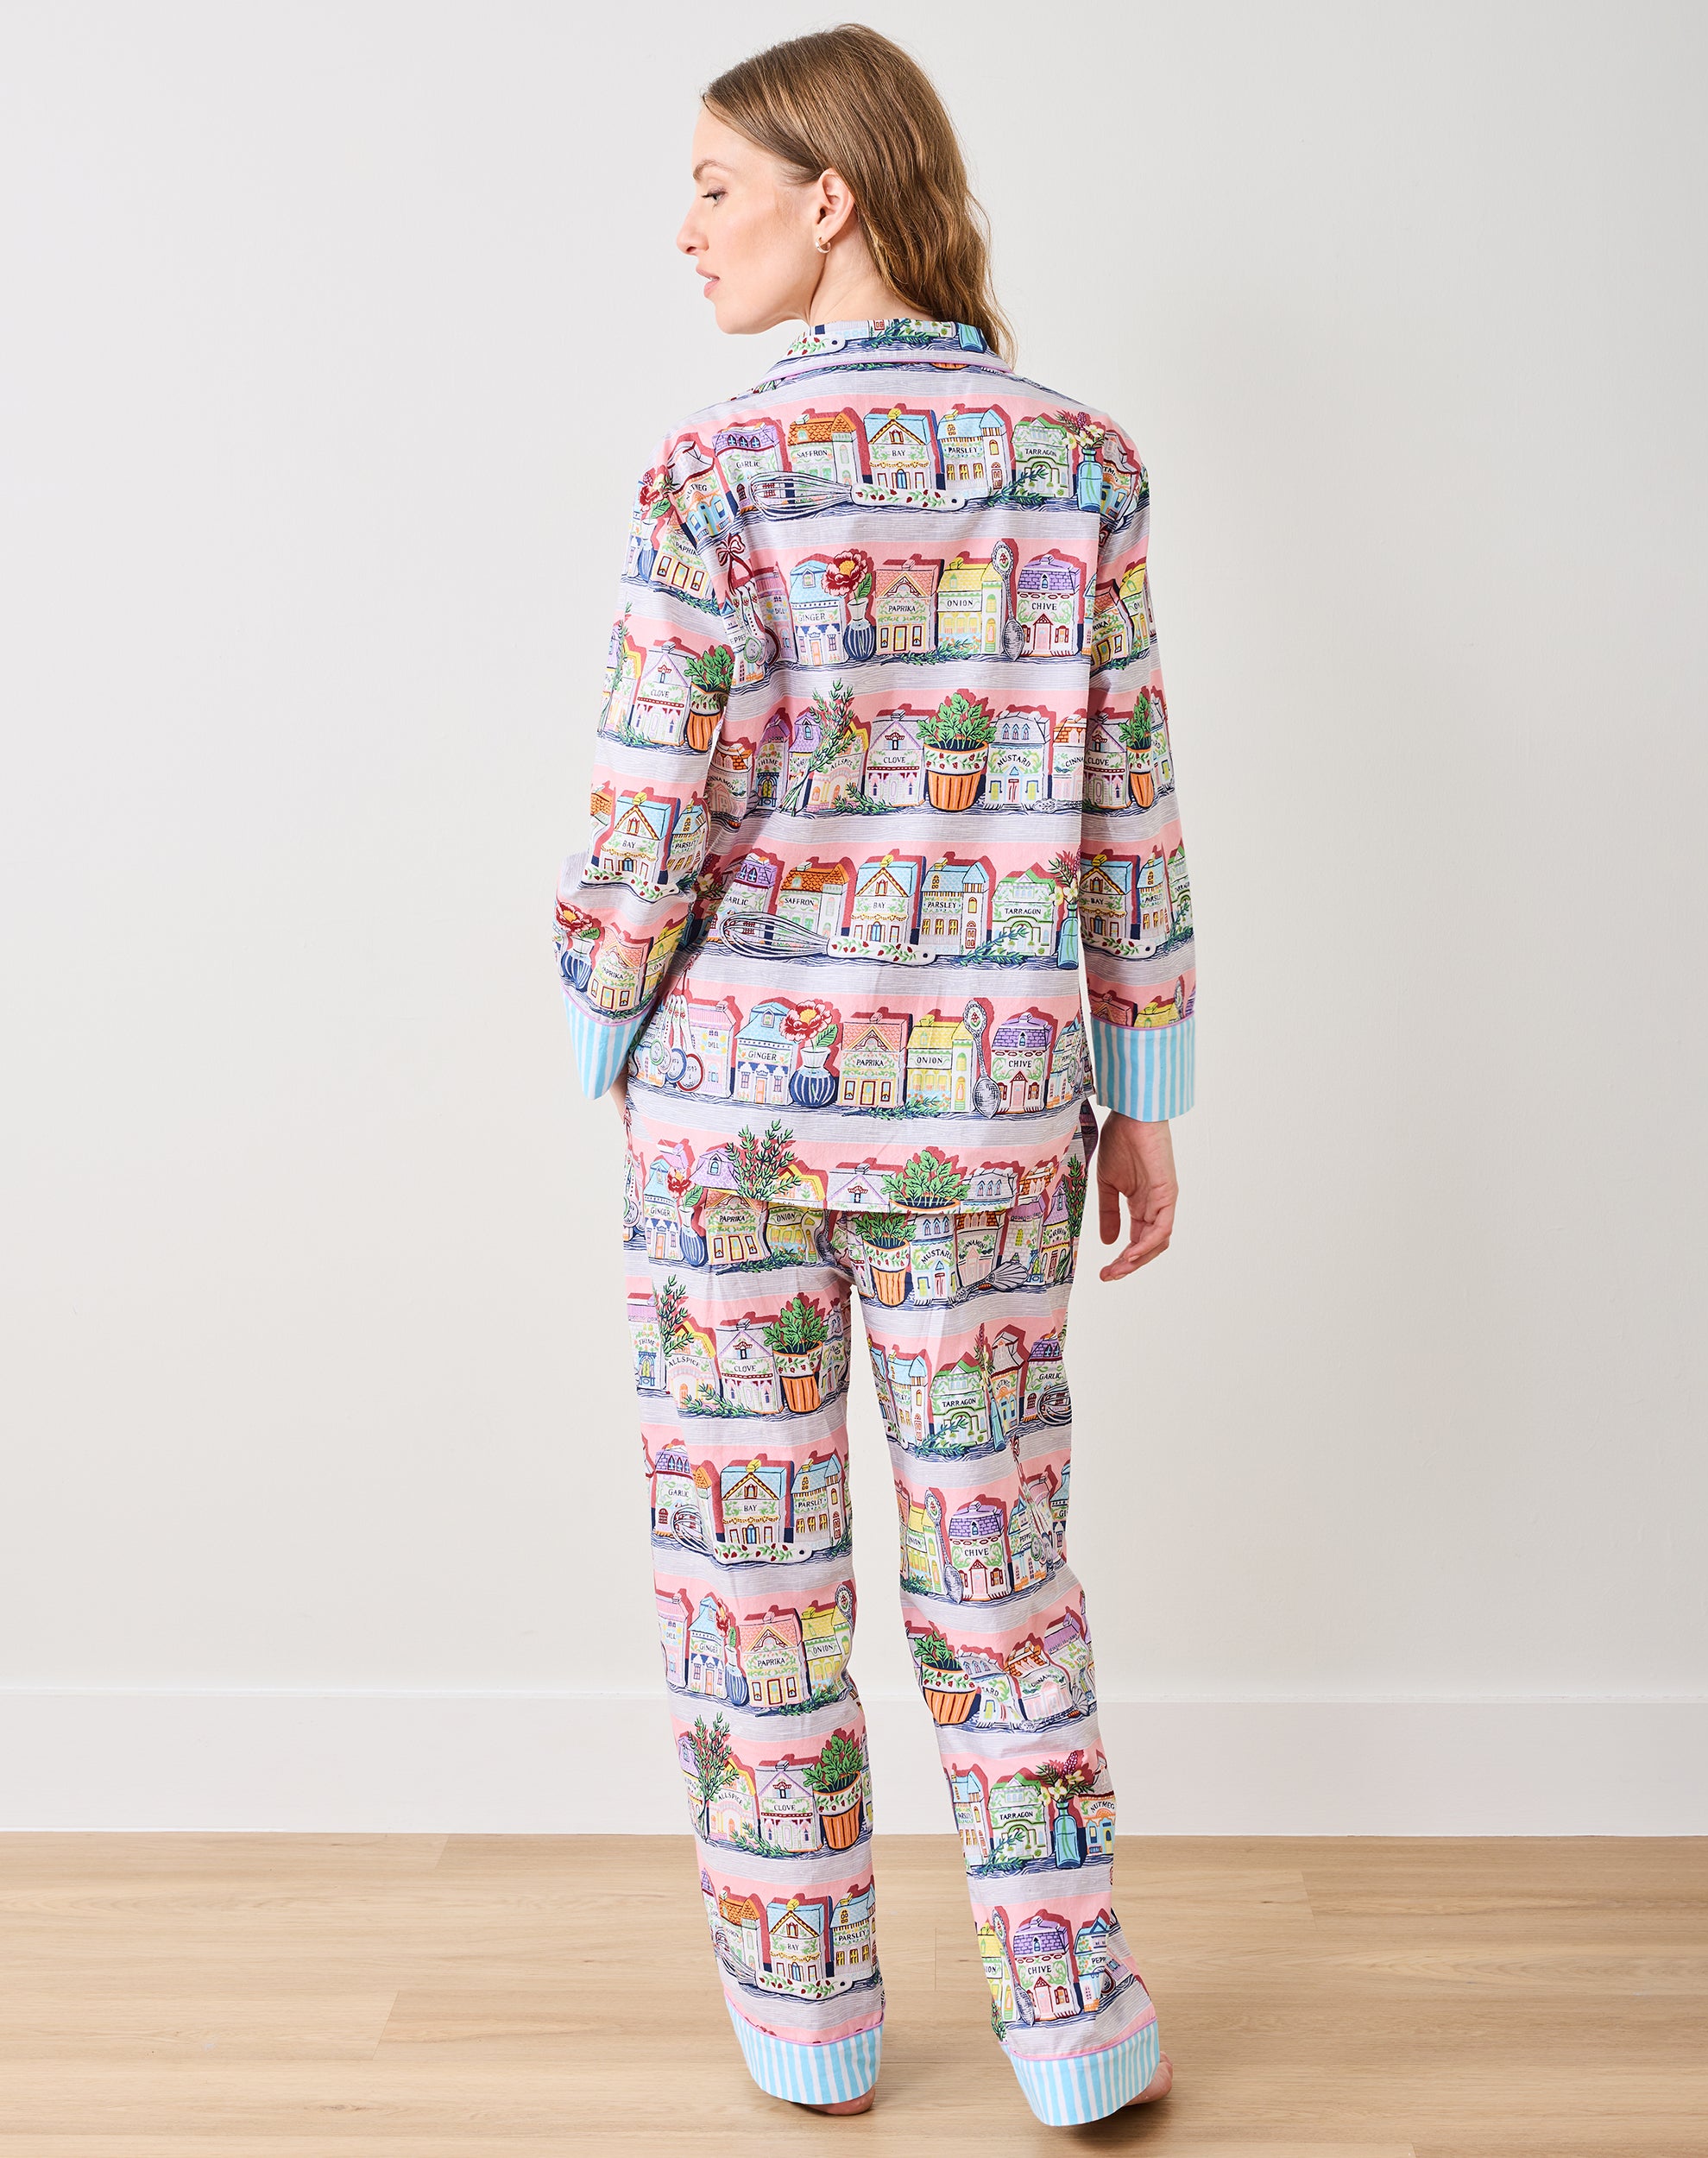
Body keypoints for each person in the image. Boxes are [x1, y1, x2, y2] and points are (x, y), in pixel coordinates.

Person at [554, 24, 1192, 2127]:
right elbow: (1124, 798)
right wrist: (1142, 1079)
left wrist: (597, 1004)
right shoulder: (1081, 463)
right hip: (991, 1118)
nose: (685, 228)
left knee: (754, 1587)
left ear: (828, 196)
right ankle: (1075, 2034)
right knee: (1000, 1577)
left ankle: (809, 2025)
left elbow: (650, 800)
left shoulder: (710, 474)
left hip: (725, 1122)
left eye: (715, 185)